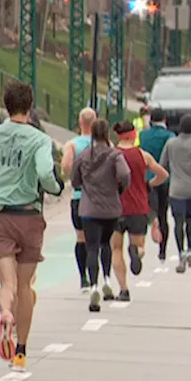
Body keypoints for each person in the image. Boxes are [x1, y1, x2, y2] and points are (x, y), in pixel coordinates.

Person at [0, 80, 63, 372]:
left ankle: (5, 311)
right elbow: (45, 172)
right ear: (30, 106)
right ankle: (20, 351)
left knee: (7, 285)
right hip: (29, 216)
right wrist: (54, 186)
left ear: (5, 105)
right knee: (25, 285)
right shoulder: (38, 139)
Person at [71, 119, 130, 312]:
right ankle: (106, 279)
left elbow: (74, 179)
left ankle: (93, 286)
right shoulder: (115, 155)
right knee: (106, 244)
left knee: (92, 248)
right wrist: (119, 189)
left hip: (88, 209)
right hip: (110, 208)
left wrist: (85, 186)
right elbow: (125, 174)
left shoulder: (83, 155)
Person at [112, 121, 167, 301]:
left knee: (116, 249)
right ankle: (137, 253)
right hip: (138, 207)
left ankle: (123, 289)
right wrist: (149, 185)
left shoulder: (112, 156)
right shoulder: (143, 156)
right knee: (139, 245)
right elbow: (163, 174)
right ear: (134, 135)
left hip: (115, 208)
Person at [63, 108, 111, 295]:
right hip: (100, 198)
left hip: (79, 198)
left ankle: (83, 278)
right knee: (101, 241)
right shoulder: (107, 145)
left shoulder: (72, 145)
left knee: (81, 238)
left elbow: (66, 167)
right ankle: (104, 277)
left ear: (79, 122)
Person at [160, 115, 191, 274]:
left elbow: (162, 164)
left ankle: (181, 252)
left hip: (176, 189)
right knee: (190, 219)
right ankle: (190, 249)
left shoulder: (171, 143)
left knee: (178, 222)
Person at [139, 108, 175, 260]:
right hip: (164, 178)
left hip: (146, 178)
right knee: (163, 214)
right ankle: (162, 250)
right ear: (164, 120)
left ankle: (142, 245)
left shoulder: (143, 134)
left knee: (145, 211)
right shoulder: (169, 136)